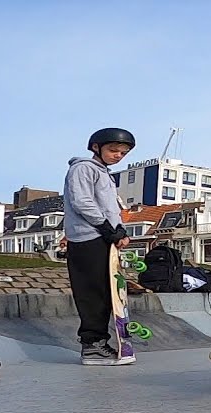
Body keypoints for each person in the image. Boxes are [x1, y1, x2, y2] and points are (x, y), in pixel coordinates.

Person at [63, 127, 136, 366]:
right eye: (113, 150)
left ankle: (101, 343)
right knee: (93, 293)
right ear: (96, 147)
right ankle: (92, 346)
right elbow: (82, 202)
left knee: (109, 294)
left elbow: (110, 207)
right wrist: (108, 228)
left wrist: (120, 230)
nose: (118, 155)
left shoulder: (105, 174)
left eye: (123, 153)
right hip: (87, 238)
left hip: (103, 238)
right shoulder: (82, 168)